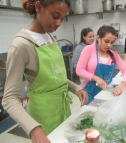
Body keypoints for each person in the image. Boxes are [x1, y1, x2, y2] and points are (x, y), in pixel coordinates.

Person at [2, 0, 88, 143]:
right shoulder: (21, 45)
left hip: (63, 109)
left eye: (62, 18)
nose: (59, 23)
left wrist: (76, 88)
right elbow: (9, 98)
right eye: (55, 16)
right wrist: (33, 128)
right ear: (38, 7)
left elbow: (55, 77)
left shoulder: (51, 38)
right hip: (43, 118)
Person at [76, 25, 126, 104]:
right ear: (98, 38)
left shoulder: (113, 54)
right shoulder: (89, 49)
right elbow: (79, 70)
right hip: (89, 93)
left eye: (112, 42)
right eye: (106, 41)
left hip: (106, 93)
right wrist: (96, 78)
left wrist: (123, 84)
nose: (109, 45)